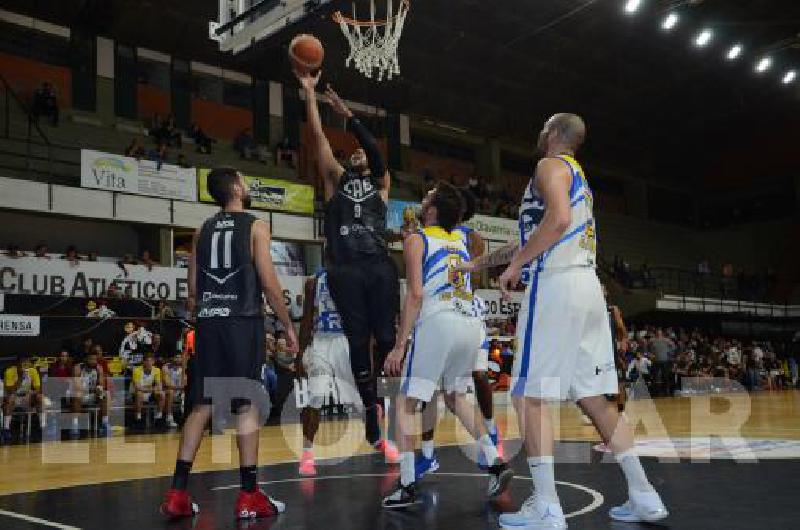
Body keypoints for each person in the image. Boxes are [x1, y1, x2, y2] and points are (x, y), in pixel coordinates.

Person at [461, 114, 667, 527]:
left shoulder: (548, 165)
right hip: (587, 289)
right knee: (595, 400)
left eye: (543, 127)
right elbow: (539, 232)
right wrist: (484, 261)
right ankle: (644, 494)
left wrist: (516, 265)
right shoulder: (578, 179)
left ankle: (547, 506)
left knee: (528, 395)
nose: (538, 132)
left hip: (554, 286)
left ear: (554, 134)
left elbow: (557, 221)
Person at [160, 166, 297, 521]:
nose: (248, 184)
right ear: (236, 188)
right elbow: (268, 280)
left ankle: (177, 493)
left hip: (209, 324)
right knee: (246, 405)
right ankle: (249, 494)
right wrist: (287, 326)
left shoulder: (200, 231)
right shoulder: (255, 225)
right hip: (242, 321)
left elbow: (191, 294)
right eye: (245, 180)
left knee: (201, 407)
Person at [381, 182, 513, 508]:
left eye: (426, 199)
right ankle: (494, 463)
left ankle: (408, 483)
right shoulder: (460, 239)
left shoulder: (417, 239)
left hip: (439, 321)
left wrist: (399, 345)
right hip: (469, 323)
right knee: (455, 397)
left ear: (432, 211)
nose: (421, 201)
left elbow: (415, 294)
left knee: (406, 403)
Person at [298, 71, 398, 459]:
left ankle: (394, 412)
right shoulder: (335, 182)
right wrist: (310, 97)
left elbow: (374, 152)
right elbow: (319, 141)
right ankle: (372, 422)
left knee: (386, 342)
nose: (355, 154)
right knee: (359, 342)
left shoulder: (381, 183)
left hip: (378, 265)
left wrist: (348, 114)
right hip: (345, 269)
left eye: (359, 153)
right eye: (351, 152)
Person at [415, 187, 503, 479]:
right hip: (451, 314)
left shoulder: (465, 235)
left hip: (462, 312)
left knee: (476, 377)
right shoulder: (432, 234)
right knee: (443, 392)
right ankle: (430, 452)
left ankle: (489, 431)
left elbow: (475, 261)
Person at [295, 267, 363, 476]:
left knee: (361, 401)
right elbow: (307, 319)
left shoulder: (356, 275)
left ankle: (380, 440)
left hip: (347, 342)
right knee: (316, 396)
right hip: (322, 342)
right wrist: (300, 352)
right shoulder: (314, 282)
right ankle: (307, 454)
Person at [2, 356, 44, 443]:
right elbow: (10, 390)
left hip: (27, 398)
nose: (25, 366)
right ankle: (6, 429)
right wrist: (20, 378)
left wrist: (31, 393)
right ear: (17, 364)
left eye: (27, 364)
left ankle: (42, 427)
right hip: (14, 397)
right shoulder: (10, 371)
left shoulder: (33, 371)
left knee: (39, 397)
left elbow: (38, 388)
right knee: (11, 398)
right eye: (23, 364)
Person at [72, 351, 110, 437]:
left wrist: (98, 389)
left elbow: (101, 384)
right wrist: (92, 389)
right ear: (85, 359)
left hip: (92, 394)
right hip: (81, 395)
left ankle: (104, 423)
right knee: (77, 394)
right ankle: (75, 425)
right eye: (91, 359)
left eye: (95, 359)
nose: (93, 361)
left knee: (104, 394)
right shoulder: (78, 368)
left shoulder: (98, 368)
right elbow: (77, 386)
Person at [131, 353, 165, 425]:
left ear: (153, 362)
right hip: (137, 393)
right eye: (147, 361)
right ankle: (138, 417)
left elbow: (159, 386)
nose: (149, 363)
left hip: (149, 392)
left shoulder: (157, 370)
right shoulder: (136, 370)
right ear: (144, 362)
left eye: (151, 361)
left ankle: (159, 416)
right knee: (139, 394)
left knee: (161, 394)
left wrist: (150, 389)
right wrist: (151, 388)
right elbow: (137, 387)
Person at [163, 353, 186, 429]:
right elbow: (167, 383)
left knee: (187, 393)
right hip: (168, 390)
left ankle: (186, 417)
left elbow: (185, 382)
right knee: (170, 392)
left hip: (180, 390)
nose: (178, 359)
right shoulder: (166, 367)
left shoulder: (184, 368)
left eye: (180, 357)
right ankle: (169, 418)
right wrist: (180, 387)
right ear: (172, 358)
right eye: (176, 357)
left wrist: (182, 388)